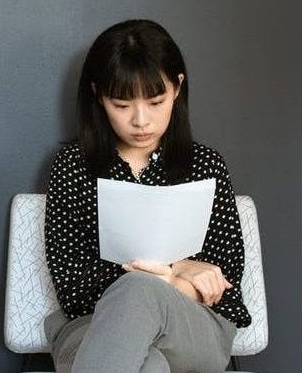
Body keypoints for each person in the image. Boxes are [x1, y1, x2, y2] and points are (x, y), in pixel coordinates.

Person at [44, 20, 251, 373]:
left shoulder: (206, 165)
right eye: (122, 105)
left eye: (156, 101)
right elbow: (72, 287)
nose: (141, 120)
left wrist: (164, 285)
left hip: (193, 328)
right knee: (149, 365)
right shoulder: (73, 166)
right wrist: (179, 269)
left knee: (140, 291)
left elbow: (224, 282)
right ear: (98, 95)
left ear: (177, 88)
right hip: (90, 327)